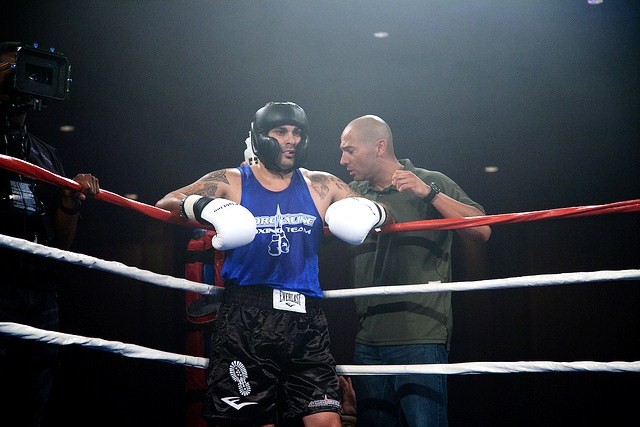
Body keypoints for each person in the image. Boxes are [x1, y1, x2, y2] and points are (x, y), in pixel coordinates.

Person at [156, 102, 392, 427]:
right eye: (280, 132)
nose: (291, 139)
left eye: (297, 132)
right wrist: (209, 208)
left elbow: (384, 210)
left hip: (306, 319)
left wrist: (368, 212)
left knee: (327, 422)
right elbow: (167, 201)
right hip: (247, 318)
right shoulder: (232, 180)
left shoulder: (320, 184)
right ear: (261, 137)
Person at [338, 115, 491, 427]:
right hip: (367, 338)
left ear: (379, 146)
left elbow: (482, 231)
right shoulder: (349, 194)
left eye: (350, 150)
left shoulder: (429, 180)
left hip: (419, 335)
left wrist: (430, 194)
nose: (343, 160)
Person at [0, 41, 100, 426]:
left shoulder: (45, 154)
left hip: (39, 288)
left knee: (32, 399)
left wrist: (69, 200)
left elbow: (62, 244)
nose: (22, 76)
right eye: (12, 66)